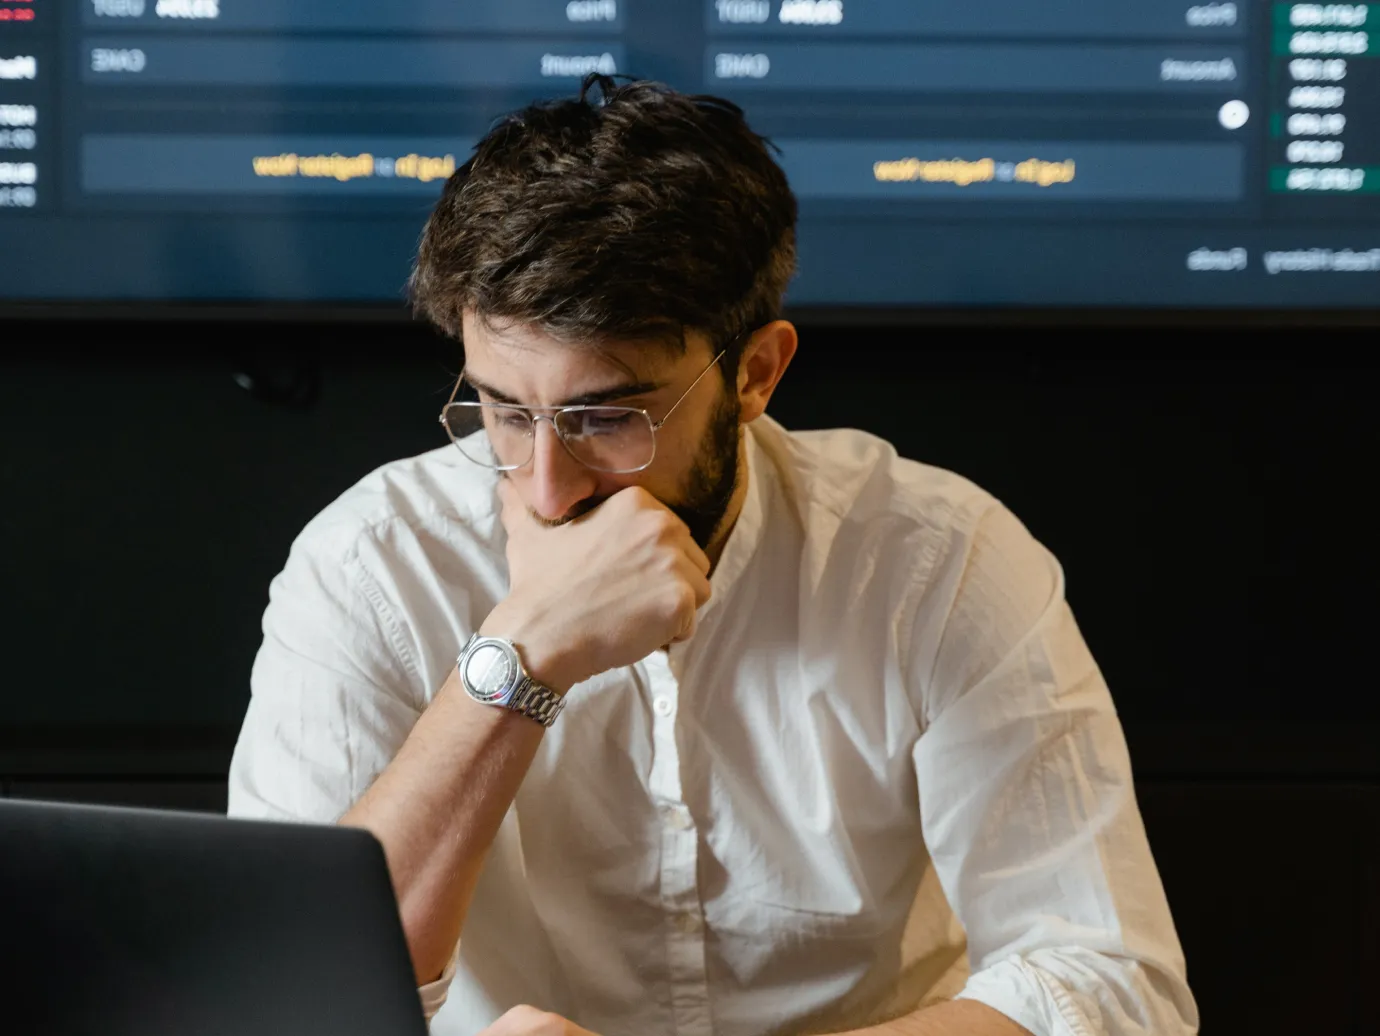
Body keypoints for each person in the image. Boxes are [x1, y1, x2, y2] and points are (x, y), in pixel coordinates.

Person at [227, 75, 1197, 1036]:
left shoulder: (937, 561)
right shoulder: (371, 564)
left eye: (608, 416)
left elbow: (1111, 988)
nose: (545, 486)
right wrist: (518, 659)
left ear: (756, 373)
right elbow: (291, 999)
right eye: (506, 411)